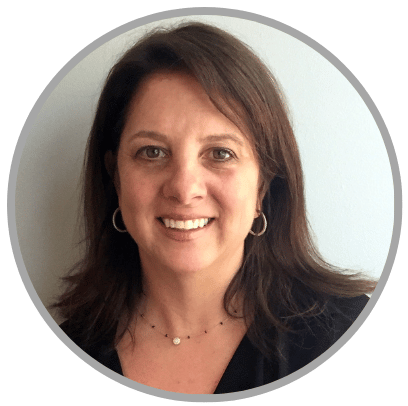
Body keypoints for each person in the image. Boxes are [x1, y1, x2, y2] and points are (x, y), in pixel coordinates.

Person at [54, 22, 376, 394]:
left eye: (220, 153)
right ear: (116, 178)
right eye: (152, 152)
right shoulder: (66, 351)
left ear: (262, 187)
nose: (184, 188)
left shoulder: (346, 337)